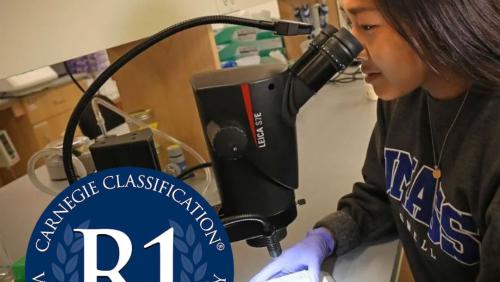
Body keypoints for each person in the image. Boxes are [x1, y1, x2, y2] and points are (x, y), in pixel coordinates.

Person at [251, 0, 500, 281]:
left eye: (368, 26)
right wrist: (326, 237)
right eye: (350, 24)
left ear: (440, 19)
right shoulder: (405, 94)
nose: (353, 50)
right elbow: (383, 196)